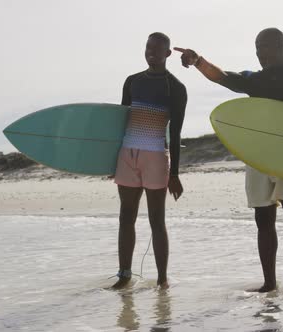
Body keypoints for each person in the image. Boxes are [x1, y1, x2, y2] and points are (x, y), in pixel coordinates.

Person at [174, 28, 283, 297]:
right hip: (258, 157)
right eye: (257, 47)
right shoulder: (255, 80)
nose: (259, 53)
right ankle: (269, 283)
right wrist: (198, 61)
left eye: (265, 46)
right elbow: (222, 77)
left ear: (280, 45)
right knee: (263, 220)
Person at [111, 32, 187, 289]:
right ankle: (124, 275)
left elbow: (175, 133)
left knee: (157, 220)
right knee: (126, 217)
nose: (151, 52)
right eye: (148, 47)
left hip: (155, 156)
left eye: (157, 49)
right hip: (127, 154)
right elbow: (120, 122)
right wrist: (111, 161)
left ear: (167, 54)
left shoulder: (175, 87)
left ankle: (162, 279)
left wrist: (175, 174)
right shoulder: (132, 82)